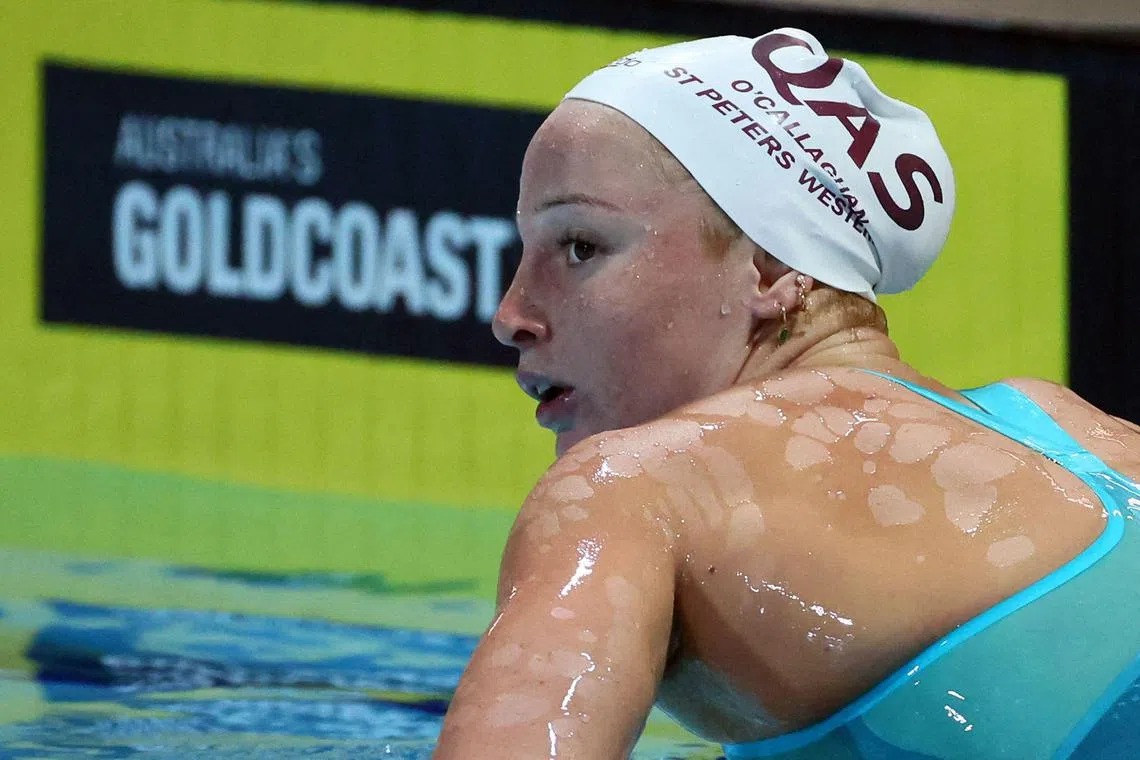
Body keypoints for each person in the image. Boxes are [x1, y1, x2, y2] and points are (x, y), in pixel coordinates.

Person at [433, 28, 1140, 759]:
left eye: (581, 246)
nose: (511, 314)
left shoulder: (635, 490)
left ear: (769, 270)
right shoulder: (1077, 430)